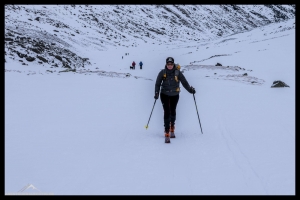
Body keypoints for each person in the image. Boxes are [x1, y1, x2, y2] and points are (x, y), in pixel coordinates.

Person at [154, 57, 196, 143]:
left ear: (173, 64)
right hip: (164, 94)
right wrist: (156, 93)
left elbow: (184, 82)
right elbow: (157, 83)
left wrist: (190, 90)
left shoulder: (178, 73)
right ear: (166, 64)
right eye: (168, 64)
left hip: (175, 95)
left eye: (171, 64)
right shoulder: (162, 72)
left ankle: (172, 127)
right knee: (166, 111)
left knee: (173, 111)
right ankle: (167, 131)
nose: (170, 66)